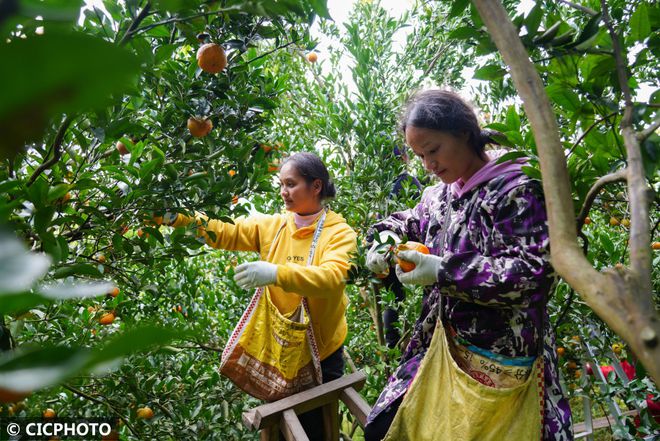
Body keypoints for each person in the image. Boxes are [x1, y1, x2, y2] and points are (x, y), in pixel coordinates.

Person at [364, 90, 572, 440]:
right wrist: (384, 237)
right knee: (386, 426)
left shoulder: (516, 188)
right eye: (420, 156)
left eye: (433, 150)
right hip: (442, 347)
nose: (429, 164)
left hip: (501, 357)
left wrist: (444, 271)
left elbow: (534, 274)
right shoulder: (440, 195)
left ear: (463, 132)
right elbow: (408, 220)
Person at [164, 152, 357, 440]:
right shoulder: (274, 227)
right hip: (280, 353)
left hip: (322, 355)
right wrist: (172, 217)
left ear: (316, 186)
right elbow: (223, 230)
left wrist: (277, 274)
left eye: (291, 184)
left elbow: (333, 278)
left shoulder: (339, 233)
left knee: (317, 431)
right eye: (281, 184)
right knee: (280, 430)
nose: (284, 192)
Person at [378, 145, 422, 349]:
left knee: (392, 300)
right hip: (408, 250)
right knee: (406, 297)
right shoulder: (408, 181)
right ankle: (405, 343)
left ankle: (392, 346)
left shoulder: (381, 185)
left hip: (387, 249)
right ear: (404, 157)